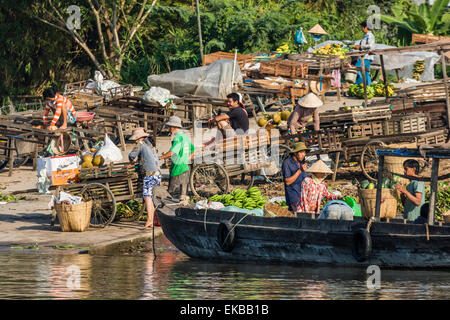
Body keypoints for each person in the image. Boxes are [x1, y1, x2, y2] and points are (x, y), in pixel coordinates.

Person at [128, 128, 161, 229]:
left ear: (137, 138)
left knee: (147, 197)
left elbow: (131, 156)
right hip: (158, 174)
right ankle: (152, 220)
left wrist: (132, 161)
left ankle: (150, 220)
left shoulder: (140, 145)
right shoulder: (150, 144)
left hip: (149, 175)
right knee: (152, 198)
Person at [160, 116, 195, 204]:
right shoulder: (185, 137)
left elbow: (172, 152)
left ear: (172, 127)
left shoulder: (177, 137)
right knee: (183, 197)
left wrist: (161, 157)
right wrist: (187, 159)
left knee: (171, 195)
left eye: (169, 127)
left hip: (177, 169)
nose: (169, 129)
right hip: (186, 168)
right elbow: (193, 150)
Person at [282, 142, 309, 213]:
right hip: (293, 197)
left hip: (302, 195)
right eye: (301, 152)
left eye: (304, 152)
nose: (304, 154)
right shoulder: (287, 163)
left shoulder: (301, 162)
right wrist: (300, 170)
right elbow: (287, 182)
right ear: (295, 153)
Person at [353, 21, 375, 86]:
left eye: (362, 27)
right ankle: (369, 87)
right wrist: (357, 47)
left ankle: (357, 83)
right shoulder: (365, 36)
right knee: (366, 72)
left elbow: (370, 46)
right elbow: (363, 46)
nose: (361, 29)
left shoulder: (370, 36)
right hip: (364, 56)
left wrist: (360, 46)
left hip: (367, 57)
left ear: (366, 27)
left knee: (357, 67)